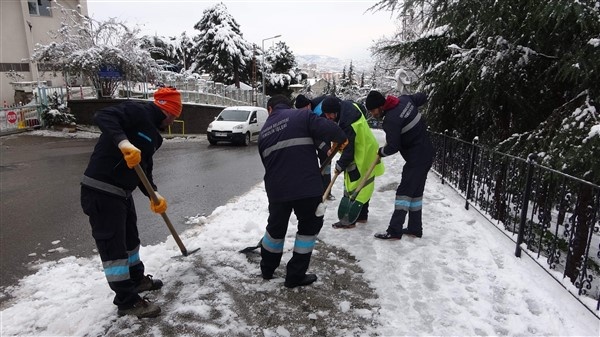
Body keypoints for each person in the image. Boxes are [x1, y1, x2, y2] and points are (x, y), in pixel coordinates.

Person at [80, 87, 182, 318]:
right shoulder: (138, 111)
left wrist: (154, 195)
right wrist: (123, 143)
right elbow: (103, 117)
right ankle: (126, 301)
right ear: (167, 110)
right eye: (174, 115)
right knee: (114, 249)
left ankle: (137, 280)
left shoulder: (155, 135)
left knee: (130, 241)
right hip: (100, 190)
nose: (175, 120)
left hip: (121, 193)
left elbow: (144, 168)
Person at [258, 94, 347, 288]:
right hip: (306, 187)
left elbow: (268, 163)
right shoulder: (302, 116)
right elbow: (333, 131)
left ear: (270, 110)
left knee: (275, 229)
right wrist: (340, 139)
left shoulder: (263, 132)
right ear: (289, 107)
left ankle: (267, 269)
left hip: (277, 190)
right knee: (308, 228)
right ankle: (295, 276)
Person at [365, 90, 434, 240]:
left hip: (417, 159)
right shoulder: (404, 100)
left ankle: (394, 230)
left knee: (403, 193)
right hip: (427, 153)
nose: (372, 114)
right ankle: (415, 228)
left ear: (380, 106)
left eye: (373, 110)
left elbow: (393, 146)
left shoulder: (390, 120)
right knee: (415, 194)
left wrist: (381, 152)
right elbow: (423, 96)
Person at [321, 96, 384, 229]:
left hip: (361, 151)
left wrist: (340, 165)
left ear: (336, 111)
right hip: (366, 146)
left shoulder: (347, 122)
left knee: (354, 183)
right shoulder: (346, 107)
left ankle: (349, 220)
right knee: (362, 182)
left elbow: (349, 149)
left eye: (329, 114)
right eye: (325, 115)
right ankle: (362, 216)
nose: (328, 117)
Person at [295, 94, 335, 200]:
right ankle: (311, 190)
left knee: (326, 163)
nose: (302, 114)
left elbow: (323, 135)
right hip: (310, 139)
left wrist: (326, 149)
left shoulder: (320, 112)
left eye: (303, 111)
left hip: (323, 137)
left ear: (308, 105)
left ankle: (327, 191)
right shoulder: (306, 113)